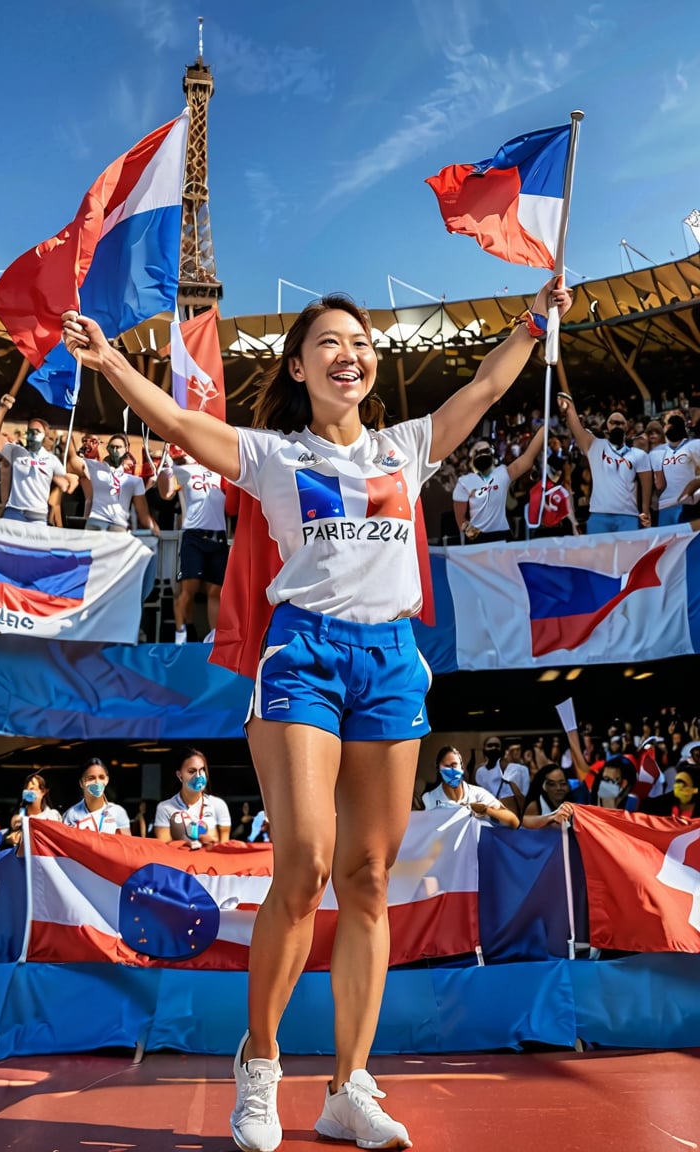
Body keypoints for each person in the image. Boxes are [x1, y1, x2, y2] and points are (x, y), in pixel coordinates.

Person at [62, 277, 571, 1152]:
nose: (352, 354)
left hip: (389, 664)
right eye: (331, 343)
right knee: (303, 864)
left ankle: (349, 1089)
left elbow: (485, 386)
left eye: (362, 343)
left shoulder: (406, 448)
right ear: (298, 367)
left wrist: (534, 321)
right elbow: (183, 428)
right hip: (303, 656)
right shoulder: (272, 456)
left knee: (369, 879)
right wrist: (109, 361)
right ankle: (258, 1069)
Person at [157, 446, 229, 643]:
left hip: (218, 535)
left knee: (216, 591)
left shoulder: (219, 470)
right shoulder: (183, 470)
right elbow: (167, 493)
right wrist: (166, 468)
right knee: (189, 589)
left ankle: (214, 636)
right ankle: (180, 634)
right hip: (194, 534)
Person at [557, 395, 652, 534]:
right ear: (607, 426)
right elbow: (576, 427)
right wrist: (568, 406)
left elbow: (646, 484)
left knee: (629, 556)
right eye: (613, 422)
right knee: (599, 556)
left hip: (628, 516)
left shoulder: (639, 454)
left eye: (620, 423)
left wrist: (645, 511)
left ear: (627, 426)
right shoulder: (594, 445)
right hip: (598, 515)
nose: (617, 425)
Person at [452, 424, 546, 544]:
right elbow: (460, 518)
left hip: (502, 536)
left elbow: (528, 457)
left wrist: (544, 428)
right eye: (478, 451)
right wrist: (472, 533)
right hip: (478, 539)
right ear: (471, 456)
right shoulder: (464, 482)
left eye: (485, 451)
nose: (482, 454)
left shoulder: (502, 473)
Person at [0, 394, 71, 522]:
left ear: (45, 435)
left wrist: (68, 481)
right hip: (14, 512)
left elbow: (65, 484)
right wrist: (2, 409)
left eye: (36, 432)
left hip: (37, 516)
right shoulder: (16, 452)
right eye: (30, 431)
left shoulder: (52, 460)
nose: (32, 435)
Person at [66, 432, 159, 534]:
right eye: (112, 447)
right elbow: (74, 462)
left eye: (118, 447)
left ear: (126, 449)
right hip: (97, 522)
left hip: (118, 524)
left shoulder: (134, 480)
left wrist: (153, 528)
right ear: (108, 449)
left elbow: (143, 512)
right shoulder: (96, 468)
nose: (115, 450)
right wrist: (77, 444)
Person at [421, 746, 519, 827]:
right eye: (446, 766)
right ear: (438, 768)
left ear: (462, 767)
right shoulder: (429, 799)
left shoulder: (478, 794)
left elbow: (513, 822)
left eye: (454, 765)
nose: (451, 770)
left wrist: (486, 810)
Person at [152, 748, 232, 846]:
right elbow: (164, 848)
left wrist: (212, 843)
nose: (198, 776)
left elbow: (225, 847)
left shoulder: (218, 804)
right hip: (179, 860)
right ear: (179, 775)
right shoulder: (164, 808)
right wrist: (187, 844)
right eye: (191, 771)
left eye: (202, 770)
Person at [651, 412, 700, 526]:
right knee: (668, 543)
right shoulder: (655, 452)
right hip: (664, 506)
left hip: (689, 505)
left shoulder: (695, 445)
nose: (671, 427)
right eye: (668, 424)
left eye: (675, 424)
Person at [62, 757, 131, 835]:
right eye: (91, 778)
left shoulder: (117, 812)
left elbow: (126, 844)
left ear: (106, 780)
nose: (97, 782)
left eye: (101, 777)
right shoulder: (71, 815)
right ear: (81, 782)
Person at [3, 771, 62, 847]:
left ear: (43, 791)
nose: (28, 792)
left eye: (32, 789)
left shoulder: (52, 816)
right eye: (26, 789)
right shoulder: (17, 819)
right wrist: (10, 840)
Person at [521, 763, 577, 829]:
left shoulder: (573, 805)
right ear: (544, 787)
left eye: (563, 783)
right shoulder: (534, 807)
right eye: (552, 784)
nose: (558, 788)